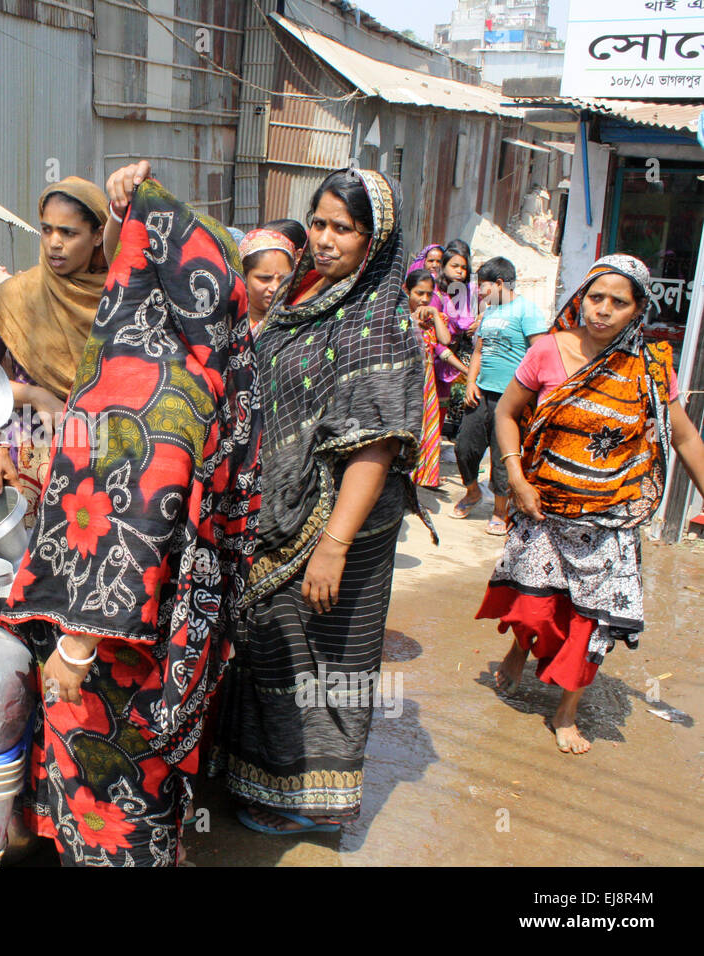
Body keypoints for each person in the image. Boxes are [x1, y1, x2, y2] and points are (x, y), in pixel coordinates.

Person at [0, 172, 260, 867]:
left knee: (105, 789)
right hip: (175, 634)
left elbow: (134, 529)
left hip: (114, 648)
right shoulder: (214, 371)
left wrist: (78, 650)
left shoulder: (142, 382)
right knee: (145, 783)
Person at [211, 166, 432, 835]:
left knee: (319, 656)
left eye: (346, 228)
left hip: (341, 525)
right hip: (276, 511)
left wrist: (331, 548)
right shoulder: (304, 297)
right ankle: (252, 774)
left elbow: (375, 447)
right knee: (266, 643)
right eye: (321, 222)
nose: (328, 239)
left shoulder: (380, 320)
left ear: (376, 240)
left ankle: (304, 800)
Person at [478, 255, 704, 754]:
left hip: (612, 517)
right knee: (537, 611)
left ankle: (566, 713)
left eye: (617, 303)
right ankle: (520, 648)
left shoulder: (650, 367)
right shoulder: (546, 351)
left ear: (637, 310)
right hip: (546, 509)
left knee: (591, 623)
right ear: (579, 298)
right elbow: (508, 414)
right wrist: (516, 478)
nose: (601, 311)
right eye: (594, 297)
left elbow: (685, 439)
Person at [0, 177, 110, 519]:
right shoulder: (16, 297)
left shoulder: (120, 302)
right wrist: (32, 397)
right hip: (29, 464)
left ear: (98, 236)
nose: (54, 244)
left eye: (68, 233)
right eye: (46, 230)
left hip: (105, 460)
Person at [452, 257, 551, 531]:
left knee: (501, 455)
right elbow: (479, 352)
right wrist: (471, 382)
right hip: (481, 392)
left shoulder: (527, 311)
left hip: (511, 399)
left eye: (482, 287)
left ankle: (499, 510)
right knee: (464, 447)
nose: (479, 293)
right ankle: (473, 492)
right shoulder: (490, 313)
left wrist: (529, 395)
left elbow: (541, 353)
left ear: (498, 283)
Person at [405, 267, 466, 488]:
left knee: (426, 430)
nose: (423, 298)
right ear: (407, 291)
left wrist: (433, 313)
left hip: (427, 384)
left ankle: (421, 478)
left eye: (428, 294)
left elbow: (444, 340)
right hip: (405, 381)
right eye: (418, 293)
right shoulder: (399, 316)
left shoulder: (433, 319)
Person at [434, 239, 476, 438]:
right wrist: (465, 369)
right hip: (435, 359)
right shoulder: (436, 295)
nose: (460, 271)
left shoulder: (463, 292)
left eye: (464, 268)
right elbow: (435, 340)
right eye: (455, 266)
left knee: (441, 410)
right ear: (443, 266)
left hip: (450, 359)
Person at [240, 227, 302, 337]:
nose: (275, 287)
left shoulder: (300, 324)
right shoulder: (230, 323)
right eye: (264, 278)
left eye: (283, 279)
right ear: (244, 277)